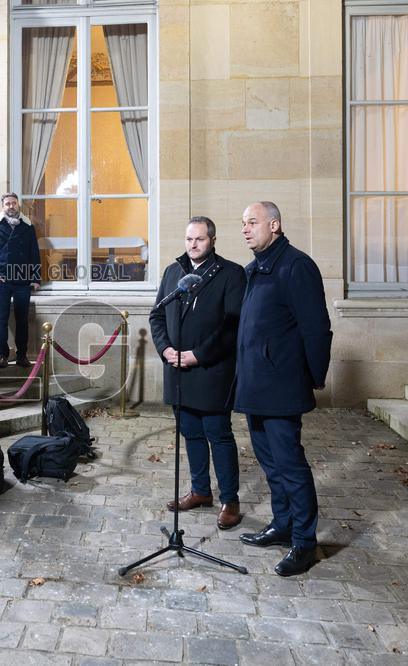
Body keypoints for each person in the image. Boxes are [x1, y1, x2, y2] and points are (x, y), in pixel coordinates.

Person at [235, 201, 332, 577]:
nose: (245, 229)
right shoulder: (253, 271)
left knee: (291, 466)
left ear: (274, 225)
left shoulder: (297, 266)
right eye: (243, 223)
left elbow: (316, 328)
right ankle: (282, 524)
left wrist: (313, 376)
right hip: (255, 386)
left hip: (281, 386)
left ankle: (305, 543)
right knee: (270, 464)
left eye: (253, 222)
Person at [149, 216, 246, 530]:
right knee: (190, 431)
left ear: (213, 240)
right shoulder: (173, 272)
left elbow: (232, 327)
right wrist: (166, 350)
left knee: (218, 434)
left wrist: (197, 355)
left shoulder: (231, 274)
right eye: (189, 239)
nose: (193, 244)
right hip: (177, 370)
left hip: (212, 370)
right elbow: (157, 315)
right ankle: (201, 491)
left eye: (200, 239)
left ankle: (230, 500)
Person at [0, 192, 41, 368]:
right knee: (1, 318)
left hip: (22, 280)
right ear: (3, 206)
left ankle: (22, 355)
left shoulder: (28, 227)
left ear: (18, 205)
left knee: (22, 319)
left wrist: (35, 278)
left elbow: (34, 254)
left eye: (14, 203)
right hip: (2, 280)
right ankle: (2, 355)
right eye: (7, 204)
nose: (11, 206)